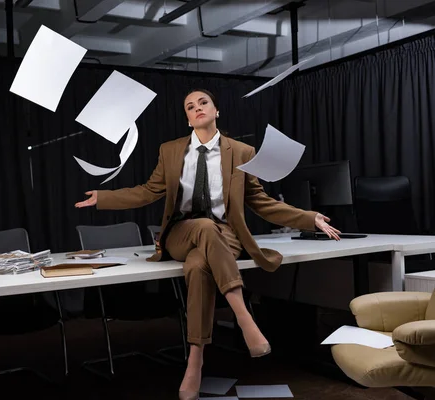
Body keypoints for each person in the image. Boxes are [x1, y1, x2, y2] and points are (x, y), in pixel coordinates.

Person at [75, 89, 341, 400]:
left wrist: (310, 218)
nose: (197, 108)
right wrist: (104, 198)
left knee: (199, 265)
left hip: (224, 234)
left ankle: (195, 359)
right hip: (181, 234)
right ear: (188, 119)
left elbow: (261, 202)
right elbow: (147, 191)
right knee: (201, 226)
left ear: (217, 111)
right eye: (190, 106)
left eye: (203, 103)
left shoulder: (241, 152)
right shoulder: (171, 150)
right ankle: (244, 317)